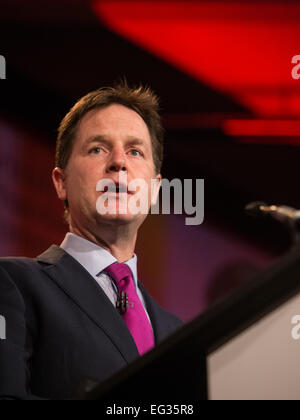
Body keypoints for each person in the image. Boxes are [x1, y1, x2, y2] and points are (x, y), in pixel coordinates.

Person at [0, 83, 183, 400]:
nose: (119, 162)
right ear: (62, 182)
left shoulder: (177, 333)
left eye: (135, 151)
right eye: (98, 148)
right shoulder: (14, 285)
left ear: (154, 190)